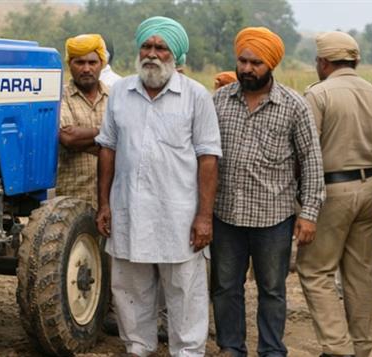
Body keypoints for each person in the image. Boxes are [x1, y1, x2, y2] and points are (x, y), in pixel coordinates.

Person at [95, 16, 221, 357]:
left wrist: (204, 217)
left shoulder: (196, 96)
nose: (152, 54)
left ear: (176, 55)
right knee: (129, 288)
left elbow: (209, 158)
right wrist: (104, 204)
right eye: (146, 47)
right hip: (128, 210)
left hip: (178, 216)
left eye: (161, 48)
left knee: (185, 290)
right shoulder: (121, 91)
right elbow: (108, 148)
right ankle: (138, 349)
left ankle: (188, 353)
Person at [211, 27, 325, 357]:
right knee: (225, 288)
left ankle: (272, 350)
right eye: (242, 60)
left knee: (272, 290)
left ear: (271, 64)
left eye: (256, 62)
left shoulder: (294, 106)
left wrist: (309, 213)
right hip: (225, 214)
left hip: (274, 218)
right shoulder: (218, 100)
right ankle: (231, 347)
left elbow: (312, 161)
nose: (247, 68)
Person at [297, 31, 372, 357]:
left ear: (323, 61)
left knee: (315, 271)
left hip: (333, 190)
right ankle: (360, 348)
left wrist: (305, 203)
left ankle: (337, 348)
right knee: (359, 272)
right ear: (355, 60)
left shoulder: (318, 94)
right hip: (371, 188)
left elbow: (308, 153)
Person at [57, 34, 110, 208]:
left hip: (111, 201)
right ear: (69, 64)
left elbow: (130, 138)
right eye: (79, 62)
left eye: (92, 63)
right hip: (70, 199)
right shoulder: (58, 97)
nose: (86, 69)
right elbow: (68, 138)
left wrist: (84, 138)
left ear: (102, 63)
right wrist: (110, 138)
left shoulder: (116, 97)